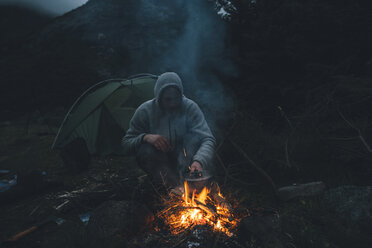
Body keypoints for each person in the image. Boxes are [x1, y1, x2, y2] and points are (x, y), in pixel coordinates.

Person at [122, 72, 216, 188]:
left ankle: (187, 186)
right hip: (161, 165)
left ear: (181, 95)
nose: (172, 104)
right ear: (159, 96)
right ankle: (172, 188)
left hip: (188, 164)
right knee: (146, 150)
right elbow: (126, 144)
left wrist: (199, 161)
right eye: (168, 99)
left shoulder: (190, 107)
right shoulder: (145, 111)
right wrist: (145, 137)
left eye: (176, 98)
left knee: (196, 145)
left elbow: (207, 139)